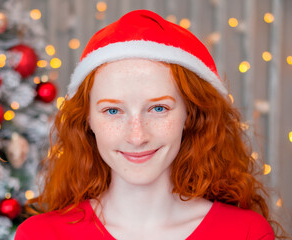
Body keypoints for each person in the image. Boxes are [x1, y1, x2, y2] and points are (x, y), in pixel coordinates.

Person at [15, 9, 286, 240]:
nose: (137, 136)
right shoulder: (41, 234)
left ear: (190, 115)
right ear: (87, 120)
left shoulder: (246, 232)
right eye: (112, 110)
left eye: (158, 108)